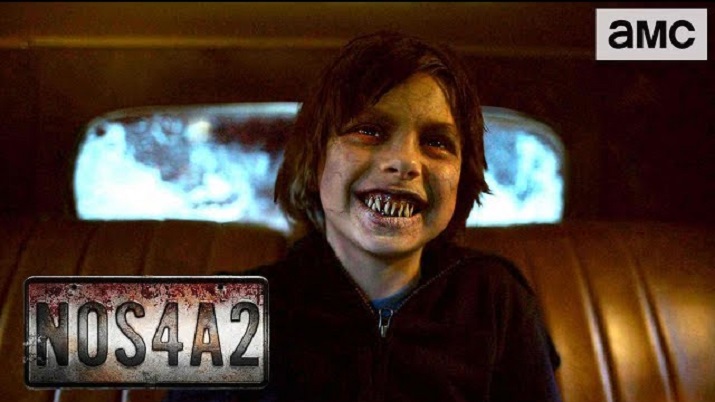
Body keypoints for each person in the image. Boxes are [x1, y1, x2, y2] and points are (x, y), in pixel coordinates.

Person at [167, 30, 561, 402]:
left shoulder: (497, 298)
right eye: (369, 130)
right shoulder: (219, 310)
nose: (405, 162)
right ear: (316, 158)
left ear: (462, 177)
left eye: (436, 142)